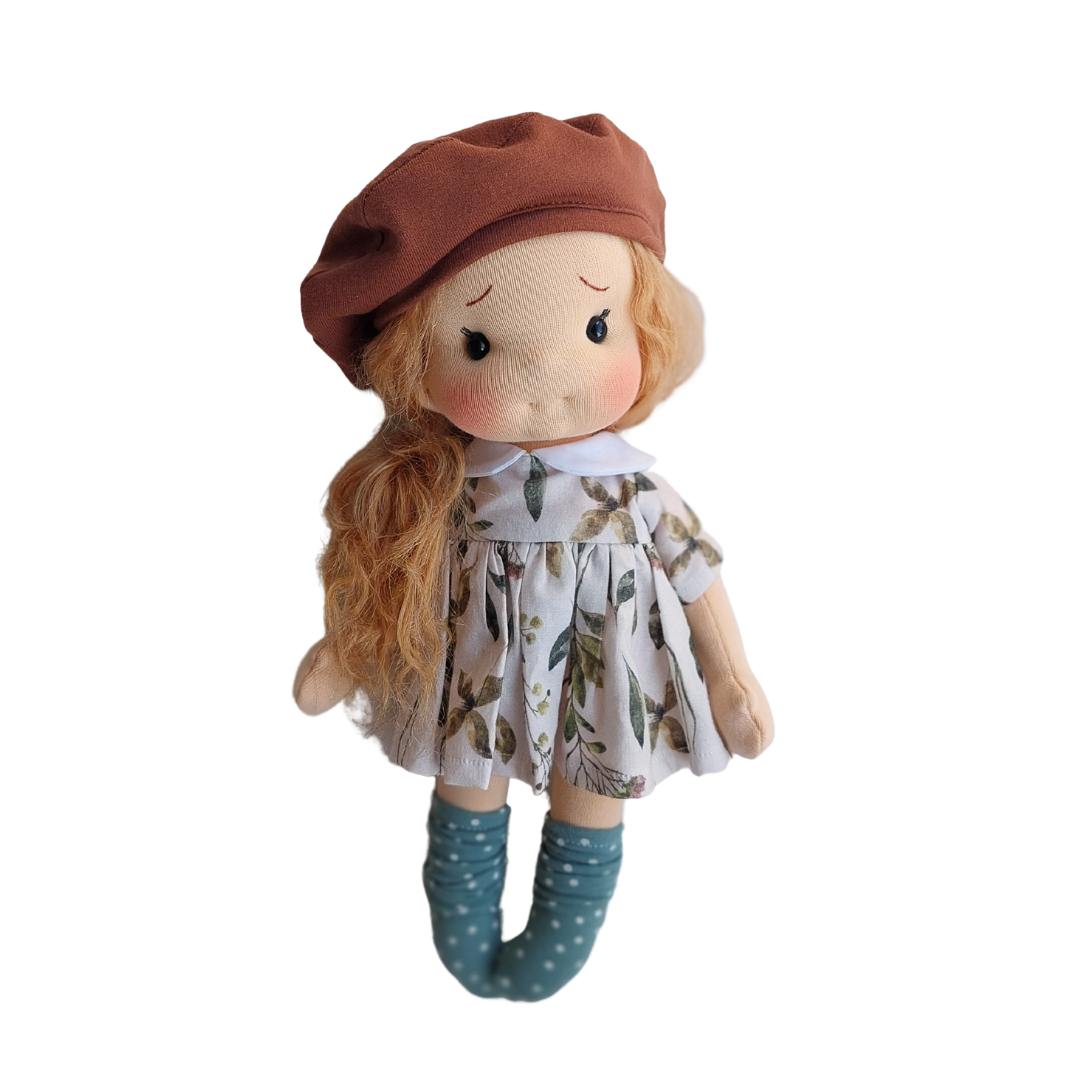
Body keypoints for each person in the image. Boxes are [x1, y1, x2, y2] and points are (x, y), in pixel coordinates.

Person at [293, 113, 773, 1001]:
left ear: (643, 321)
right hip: (475, 680)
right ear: (415, 360)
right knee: (466, 793)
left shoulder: (636, 490)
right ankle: (465, 946)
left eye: (596, 328)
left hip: (606, 679)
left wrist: (732, 682)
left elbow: (696, 576)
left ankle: (552, 951)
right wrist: (344, 650)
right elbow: (389, 567)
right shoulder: (447, 486)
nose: (547, 376)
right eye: (477, 346)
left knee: (594, 795)